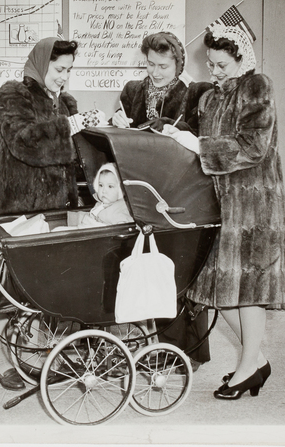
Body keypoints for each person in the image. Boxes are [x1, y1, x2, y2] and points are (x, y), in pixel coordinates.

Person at [162, 22, 285, 399]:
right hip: (221, 203)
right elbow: (203, 147)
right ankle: (257, 361)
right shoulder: (212, 97)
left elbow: (253, 147)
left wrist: (199, 145)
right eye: (211, 65)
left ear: (241, 60)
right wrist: (178, 140)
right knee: (217, 289)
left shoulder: (256, 87)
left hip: (253, 207)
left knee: (247, 288)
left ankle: (248, 367)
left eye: (222, 66)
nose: (214, 72)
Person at [0, 37, 104, 390]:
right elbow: (25, 142)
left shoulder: (67, 103)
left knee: (47, 285)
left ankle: (40, 348)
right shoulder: (12, 93)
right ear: (42, 64)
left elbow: (75, 155)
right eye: (59, 70)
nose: (64, 77)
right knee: (5, 290)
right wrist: (71, 127)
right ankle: (1, 360)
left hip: (54, 207)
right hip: (12, 206)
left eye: (69, 71)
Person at [111, 31, 213, 368]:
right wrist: (119, 121)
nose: (155, 71)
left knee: (177, 272)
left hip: (179, 192)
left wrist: (169, 127)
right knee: (144, 268)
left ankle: (183, 353)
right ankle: (145, 347)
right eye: (151, 64)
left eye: (163, 66)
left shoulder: (195, 93)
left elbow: (199, 144)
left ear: (178, 63)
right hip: (140, 189)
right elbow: (122, 135)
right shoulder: (131, 91)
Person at [70, 162, 133, 227]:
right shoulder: (100, 204)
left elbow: (123, 230)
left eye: (110, 186)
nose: (104, 191)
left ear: (121, 189)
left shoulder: (123, 208)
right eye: (101, 185)